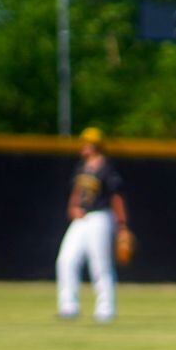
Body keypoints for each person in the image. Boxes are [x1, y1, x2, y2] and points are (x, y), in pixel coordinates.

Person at [55, 126, 127, 323]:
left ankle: (106, 309)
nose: (84, 147)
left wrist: (121, 225)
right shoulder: (82, 167)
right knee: (66, 259)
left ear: (97, 146)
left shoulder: (106, 169)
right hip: (82, 218)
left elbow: (116, 198)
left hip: (101, 217)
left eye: (88, 144)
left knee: (100, 264)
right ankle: (68, 306)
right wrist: (73, 207)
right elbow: (77, 190)